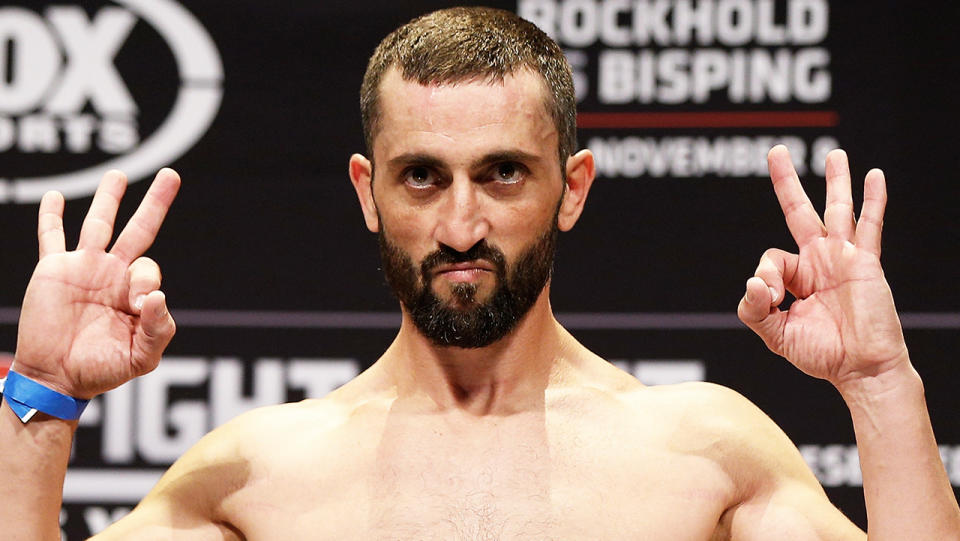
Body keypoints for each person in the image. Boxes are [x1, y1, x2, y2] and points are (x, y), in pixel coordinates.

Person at [2, 6, 958, 540]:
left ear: (572, 186)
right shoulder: (259, 474)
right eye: (423, 176)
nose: (462, 223)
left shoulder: (702, 452)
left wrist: (880, 384)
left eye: (503, 173)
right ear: (369, 191)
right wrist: (37, 400)